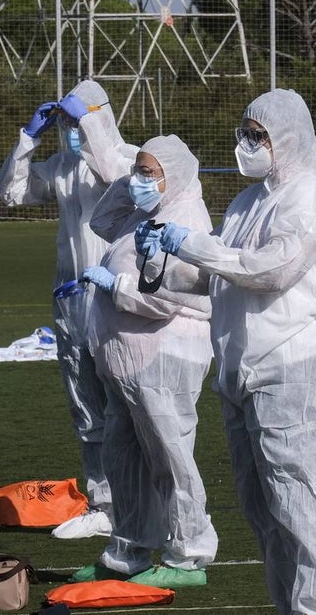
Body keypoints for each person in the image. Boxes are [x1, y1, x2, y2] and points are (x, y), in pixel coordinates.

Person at [135, 89, 316, 615]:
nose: (246, 144)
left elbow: (271, 270)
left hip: (291, 364)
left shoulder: (309, 198)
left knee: (298, 501)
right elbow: (220, 278)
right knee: (262, 507)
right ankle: (291, 607)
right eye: (244, 133)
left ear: (286, 139)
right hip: (241, 367)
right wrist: (161, 268)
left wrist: (188, 243)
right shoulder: (247, 202)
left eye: (257, 136)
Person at [67, 134, 218, 588]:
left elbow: (170, 298)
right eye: (139, 170)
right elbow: (102, 220)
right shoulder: (146, 212)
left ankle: (188, 554)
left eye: (149, 173)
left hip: (164, 355)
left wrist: (115, 287)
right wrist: (129, 178)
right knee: (123, 458)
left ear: (174, 175)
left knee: (169, 457)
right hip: (127, 360)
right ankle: (127, 550)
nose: (139, 180)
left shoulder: (185, 219)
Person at [0, 79, 136, 539]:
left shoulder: (130, 160)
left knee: (127, 406)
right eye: (67, 124)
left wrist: (88, 124)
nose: (72, 132)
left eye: (79, 123)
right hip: (71, 301)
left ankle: (142, 502)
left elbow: (115, 176)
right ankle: (104, 505)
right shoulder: (62, 168)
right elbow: (12, 193)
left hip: (116, 298)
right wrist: (27, 139)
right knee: (86, 408)